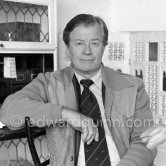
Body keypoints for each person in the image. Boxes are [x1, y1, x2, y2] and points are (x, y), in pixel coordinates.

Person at [0, 14, 156, 166]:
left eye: (95, 43)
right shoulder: (49, 82)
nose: (87, 51)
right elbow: (8, 112)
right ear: (68, 48)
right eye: (79, 43)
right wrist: (65, 114)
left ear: (104, 47)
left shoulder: (133, 86)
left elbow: (147, 142)